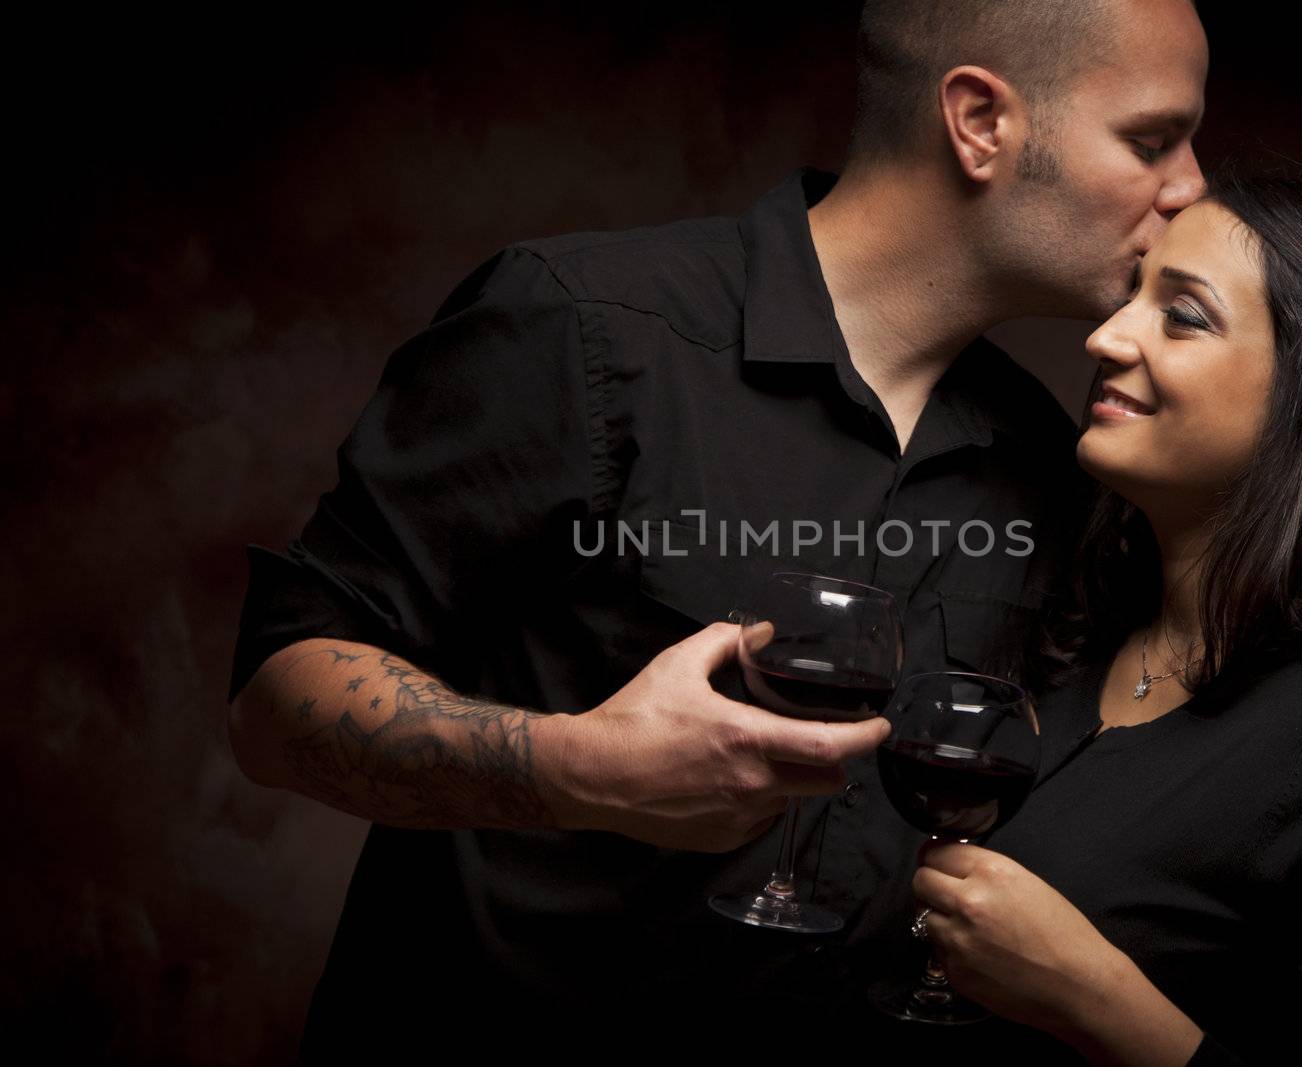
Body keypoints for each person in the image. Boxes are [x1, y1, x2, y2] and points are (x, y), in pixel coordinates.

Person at [224, 0, 1208, 1056]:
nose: (1191, 184)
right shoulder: (586, 326)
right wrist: (577, 768)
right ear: (978, 122)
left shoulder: (1049, 461)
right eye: (1152, 140)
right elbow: (274, 702)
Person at [904, 173, 1302, 1063]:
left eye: (1182, 315)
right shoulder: (1081, 627)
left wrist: (1096, 1000)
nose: (1106, 337)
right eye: (1132, 296)